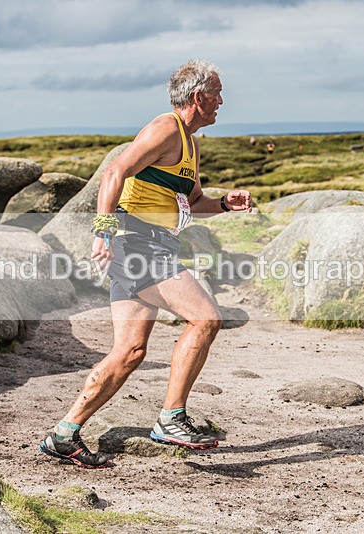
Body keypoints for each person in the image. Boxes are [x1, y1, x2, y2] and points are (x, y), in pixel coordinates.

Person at [40, 59, 253, 468]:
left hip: (149, 246)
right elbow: (114, 171)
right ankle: (171, 419)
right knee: (206, 318)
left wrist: (225, 203)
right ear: (199, 96)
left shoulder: (189, 142)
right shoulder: (165, 128)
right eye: (219, 93)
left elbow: (192, 202)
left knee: (130, 352)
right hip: (139, 245)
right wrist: (102, 229)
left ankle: (64, 435)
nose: (223, 101)